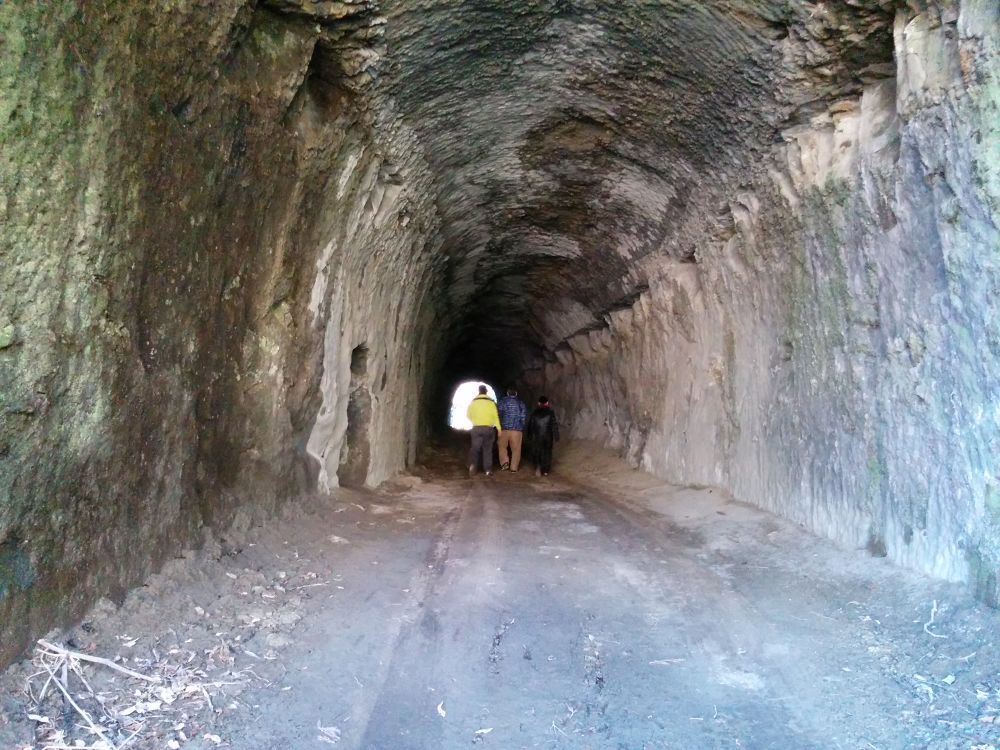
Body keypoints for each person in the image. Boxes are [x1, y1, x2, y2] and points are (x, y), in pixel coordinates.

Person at [466, 384, 500, 476]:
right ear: (486, 392)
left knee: (475, 448)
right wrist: (499, 429)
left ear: (479, 391)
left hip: (476, 428)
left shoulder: (473, 402)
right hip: (488, 428)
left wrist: (475, 421)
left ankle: (473, 467)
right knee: (487, 450)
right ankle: (488, 470)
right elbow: (495, 416)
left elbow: (468, 415)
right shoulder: (491, 403)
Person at [497, 387, 528, 472]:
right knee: (516, 449)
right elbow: (523, 416)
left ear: (507, 393)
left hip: (504, 429)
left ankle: (504, 463)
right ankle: (514, 467)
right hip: (517, 430)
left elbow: (498, 414)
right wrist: (521, 426)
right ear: (516, 393)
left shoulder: (502, 402)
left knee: (502, 447)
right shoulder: (521, 403)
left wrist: (499, 425)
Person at [527, 396, 559, 476]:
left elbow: (530, 425)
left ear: (538, 403)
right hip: (548, 437)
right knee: (547, 453)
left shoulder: (534, 413)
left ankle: (538, 466)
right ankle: (545, 470)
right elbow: (554, 425)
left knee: (537, 452)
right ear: (547, 403)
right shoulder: (551, 413)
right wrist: (556, 435)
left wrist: (529, 435)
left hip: (537, 437)